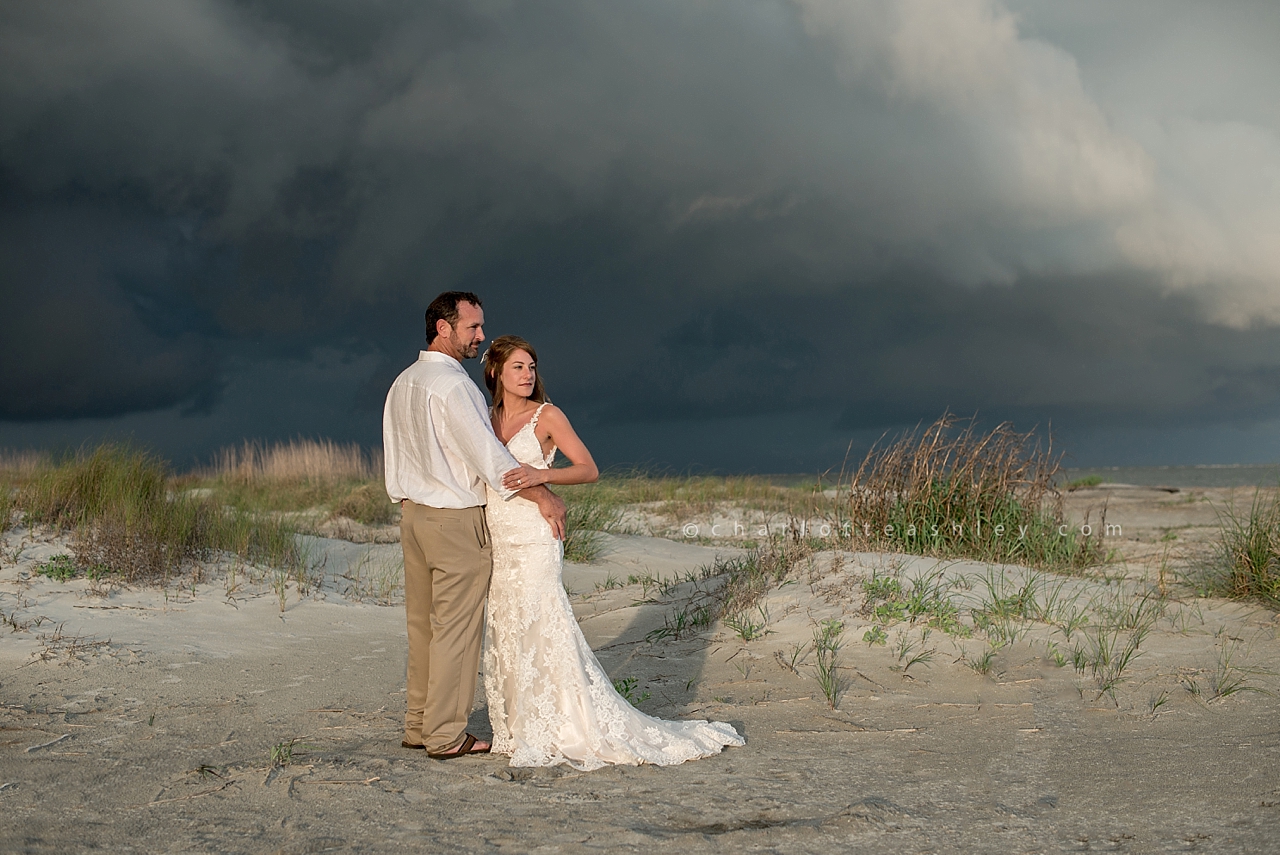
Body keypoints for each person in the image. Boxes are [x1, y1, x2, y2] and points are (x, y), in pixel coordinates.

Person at [480, 335, 745, 770]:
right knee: (507, 622)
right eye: (518, 368)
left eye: (531, 367)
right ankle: (518, 727)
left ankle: (563, 725)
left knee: (542, 619)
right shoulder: (486, 419)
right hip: (501, 537)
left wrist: (538, 476)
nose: (527, 375)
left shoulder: (546, 415)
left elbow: (588, 468)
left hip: (535, 537)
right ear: (496, 373)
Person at [383, 293, 565, 759]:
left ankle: (418, 725)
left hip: (412, 517)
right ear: (444, 329)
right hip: (453, 521)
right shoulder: (454, 386)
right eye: (472, 327)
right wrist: (542, 492)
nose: (481, 336)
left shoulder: (403, 382)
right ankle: (445, 735)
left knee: (422, 627)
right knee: (456, 632)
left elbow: (395, 453)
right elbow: (490, 458)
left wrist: (403, 497)